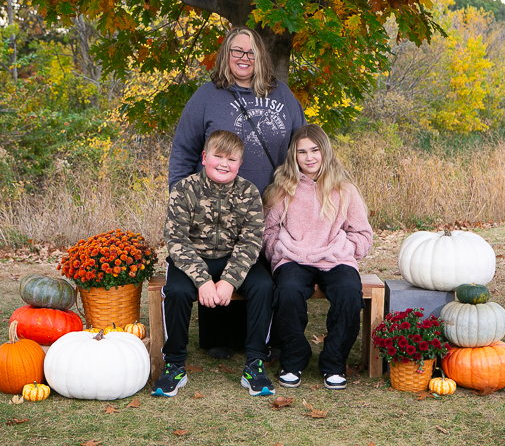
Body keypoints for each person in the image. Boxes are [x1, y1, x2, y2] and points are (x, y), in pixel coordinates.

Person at [168, 26, 306, 358]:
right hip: (215, 208)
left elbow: (301, 145)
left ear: (261, 57)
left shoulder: (282, 95)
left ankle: (269, 341)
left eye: (251, 52)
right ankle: (222, 339)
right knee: (219, 257)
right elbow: (184, 150)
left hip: (273, 205)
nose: (244, 58)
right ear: (226, 55)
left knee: (265, 273)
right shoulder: (207, 96)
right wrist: (180, 196)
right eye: (237, 51)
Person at [153, 130, 275, 397]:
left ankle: (255, 363)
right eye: (218, 156)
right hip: (192, 259)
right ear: (204, 157)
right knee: (176, 291)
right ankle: (175, 364)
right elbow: (176, 239)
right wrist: (203, 280)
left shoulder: (249, 192)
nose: (224, 164)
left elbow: (251, 241)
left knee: (264, 286)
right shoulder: (184, 190)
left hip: (233, 258)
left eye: (231, 159)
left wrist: (230, 280)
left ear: (239, 163)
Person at [262, 124, 373, 390]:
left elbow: (362, 233)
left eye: (314, 150)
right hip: (293, 257)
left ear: (325, 151)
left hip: (335, 258)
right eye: (302, 152)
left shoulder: (344, 189)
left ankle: (334, 363)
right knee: (287, 292)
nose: (309, 157)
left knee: (349, 293)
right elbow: (267, 229)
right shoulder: (283, 188)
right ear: (294, 155)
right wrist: (277, 249)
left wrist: (346, 248)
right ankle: (294, 359)